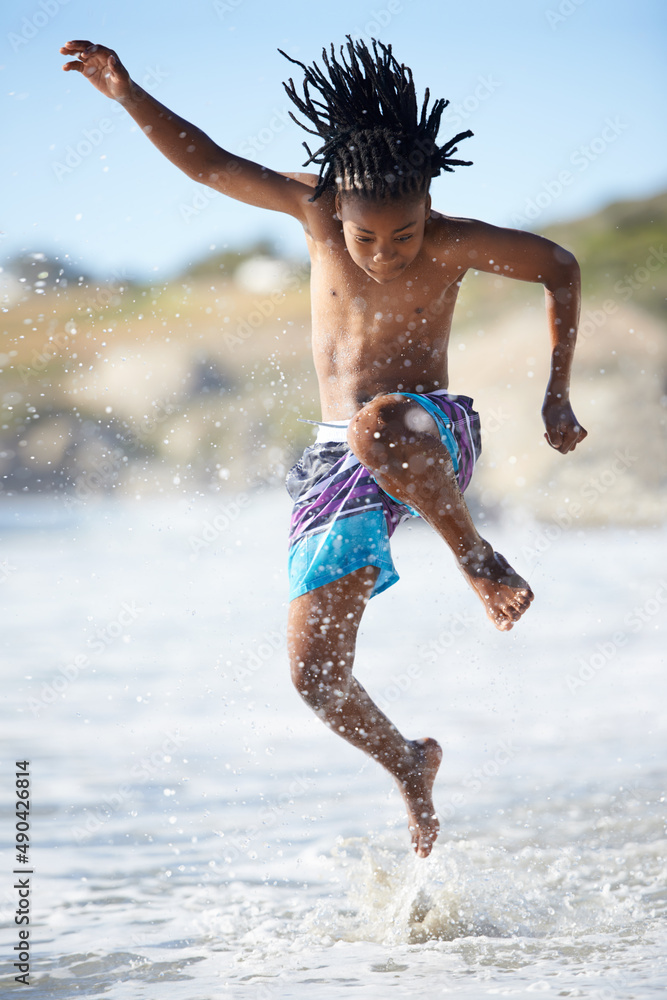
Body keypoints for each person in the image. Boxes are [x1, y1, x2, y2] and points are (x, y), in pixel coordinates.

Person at [61, 37, 587, 858]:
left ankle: (478, 560)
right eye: (365, 239)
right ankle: (409, 763)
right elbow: (209, 165)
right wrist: (127, 93)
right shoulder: (311, 211)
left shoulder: (454, 243)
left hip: (427, 429)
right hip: (335, 457)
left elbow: (559, 266)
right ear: (335, 208)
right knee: (314, 675)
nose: (385, 255)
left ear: (428, 208)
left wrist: (555, 391)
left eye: (404, 235)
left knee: (381, 422)